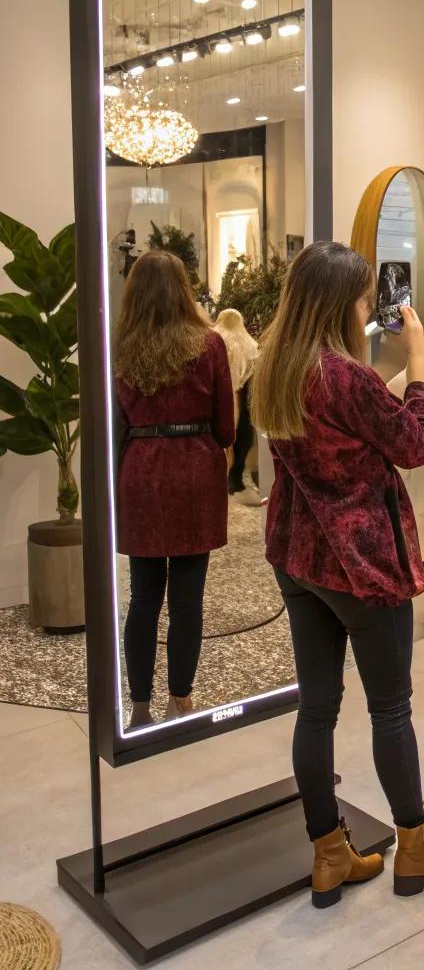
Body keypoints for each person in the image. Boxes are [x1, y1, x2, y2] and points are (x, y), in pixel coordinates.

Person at [249, 241, 424, 910]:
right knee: (391, 708)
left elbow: (340, 431)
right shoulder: (343, 376)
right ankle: (416, 845)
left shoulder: (279, 364)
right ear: (340, 304)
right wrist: (419, 363)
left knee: (316, 708)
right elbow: (417, 445)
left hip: (301, 556)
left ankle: (329, 853)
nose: (365, 308)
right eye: (359, 298)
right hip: (361, 564)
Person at [114, 251, 235, 728]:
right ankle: (180, 699)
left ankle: (139, 704)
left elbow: (117, 422)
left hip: (141, 470)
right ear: (184, 289)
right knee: (187, 599)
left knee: (144, 597)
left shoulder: (122, 348)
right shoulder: (208, 345)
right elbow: (226, 427)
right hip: (193, 470)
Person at [212, 307, 259, 493]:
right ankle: (235, 477)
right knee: (241, 436)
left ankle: (228, 476)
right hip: (241, 398)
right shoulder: (251, 345)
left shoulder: (212, 340)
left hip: (221, 399)